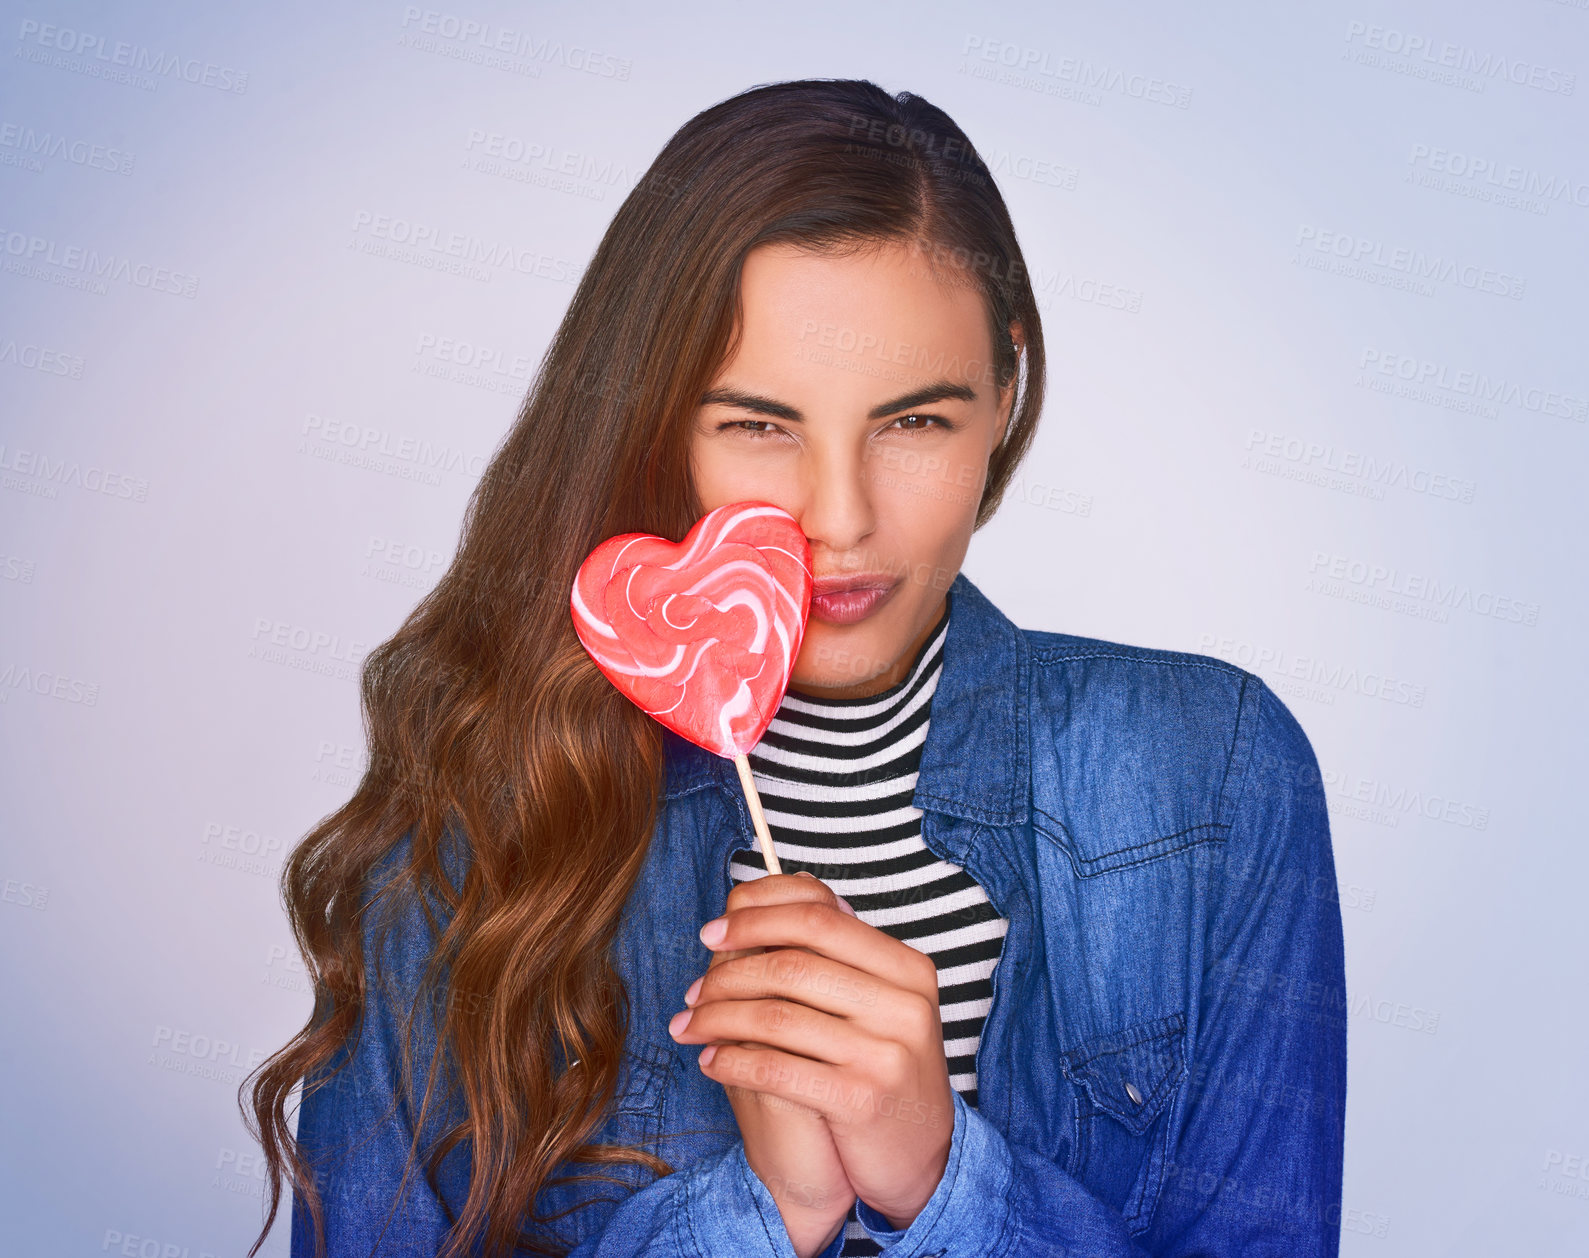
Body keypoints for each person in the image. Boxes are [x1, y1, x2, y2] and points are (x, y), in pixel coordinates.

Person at [243, 78, 1346, 1258]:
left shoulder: (1208, 772)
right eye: (758, 425)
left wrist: (943, 1179)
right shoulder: (478, 803)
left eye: (912, 421)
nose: (838, 517)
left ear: (1003, 392)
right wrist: (759, 1215)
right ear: (655, 423)